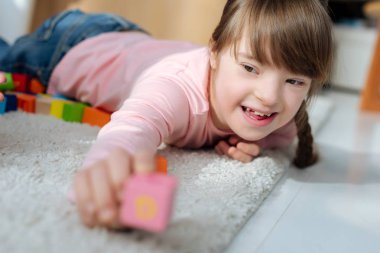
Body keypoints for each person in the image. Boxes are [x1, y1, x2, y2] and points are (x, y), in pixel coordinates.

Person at [0, 0, 333, 229]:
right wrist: (109, 168)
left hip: (132, 40)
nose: (269, 96)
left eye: (294, 80)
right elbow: (135, 127)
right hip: (69, 45)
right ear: (214, 52)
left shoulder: (284, 123)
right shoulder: (173, 89)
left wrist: (248, 139)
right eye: (250, 67)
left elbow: (284, 134)